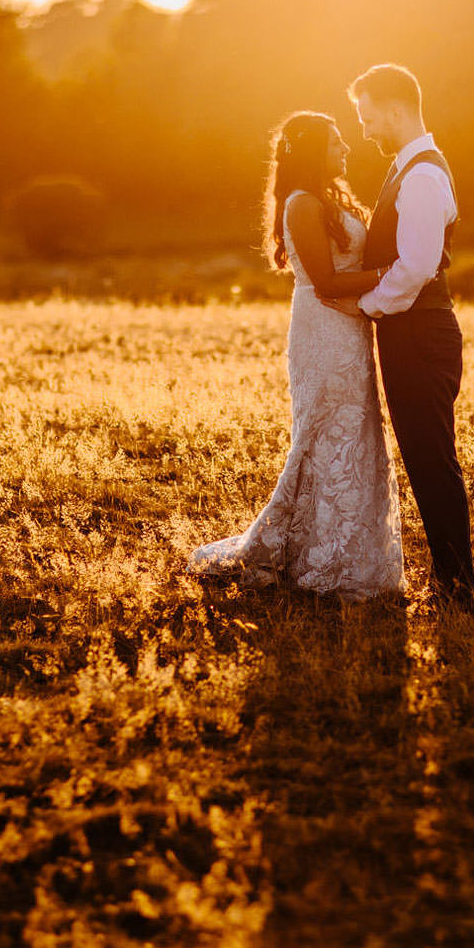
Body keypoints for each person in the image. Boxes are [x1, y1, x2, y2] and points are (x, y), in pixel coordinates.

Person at [186, 112, 403, 600]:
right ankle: (313, 554)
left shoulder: (328, 196)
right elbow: (325, 282)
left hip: (349, 326)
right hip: (323, 331)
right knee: (326, 433)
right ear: (312, 151)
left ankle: (344, 549)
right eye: (336, 142)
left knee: (354, 432)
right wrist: (396, 270)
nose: (346, 149)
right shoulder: (303, 204)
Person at [324, 64, 474, 615]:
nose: (364, 130)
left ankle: (457, 591)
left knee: (432, 460)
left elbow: (415, 267)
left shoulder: (421, 176)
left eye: (367, 117)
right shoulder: (407, 169)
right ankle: (452, 584)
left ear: (392, 109)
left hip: (420, 333)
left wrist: (364, 306)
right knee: (425, 458)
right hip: (410, 333)